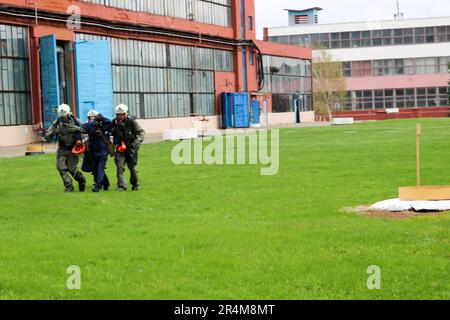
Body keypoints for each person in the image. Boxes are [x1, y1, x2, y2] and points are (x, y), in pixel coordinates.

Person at [46, 104, 86, 193]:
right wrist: (53, 132)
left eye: (64, 116)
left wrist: (76, 129)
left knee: (72, 169)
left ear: (68, 114)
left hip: (73, 149)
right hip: (62, 149)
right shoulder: (56, 123)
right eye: (61, 116)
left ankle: (81, 180)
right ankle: (68, 186)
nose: (63, 118)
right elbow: (47, 137)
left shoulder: (76, 121)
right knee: (60, 167)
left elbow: (86, 131)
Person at [111, 104, 145, 191]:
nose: (120, 116)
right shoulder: (114, 122)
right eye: (118, 115)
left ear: (126, 114)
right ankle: (122, 186)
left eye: (122, 114)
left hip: (131, 149)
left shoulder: (132, 122)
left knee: (132, 168)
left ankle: (135, 184)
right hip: (119, 149)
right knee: (120, 167)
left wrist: (137, 142)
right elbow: (110, 133)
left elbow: (141, 132)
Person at [82, 110, 113, 192]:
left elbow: (109, 122)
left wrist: (101, 119)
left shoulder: (105, 124)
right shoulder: (89, 125)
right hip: (93, 151)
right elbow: (81, 127)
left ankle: (98, 186)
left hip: (103, 151)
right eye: (90, 118)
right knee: (95, 169)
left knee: (100, 168)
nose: (91, 119)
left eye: (94, 118)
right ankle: (106, 184)